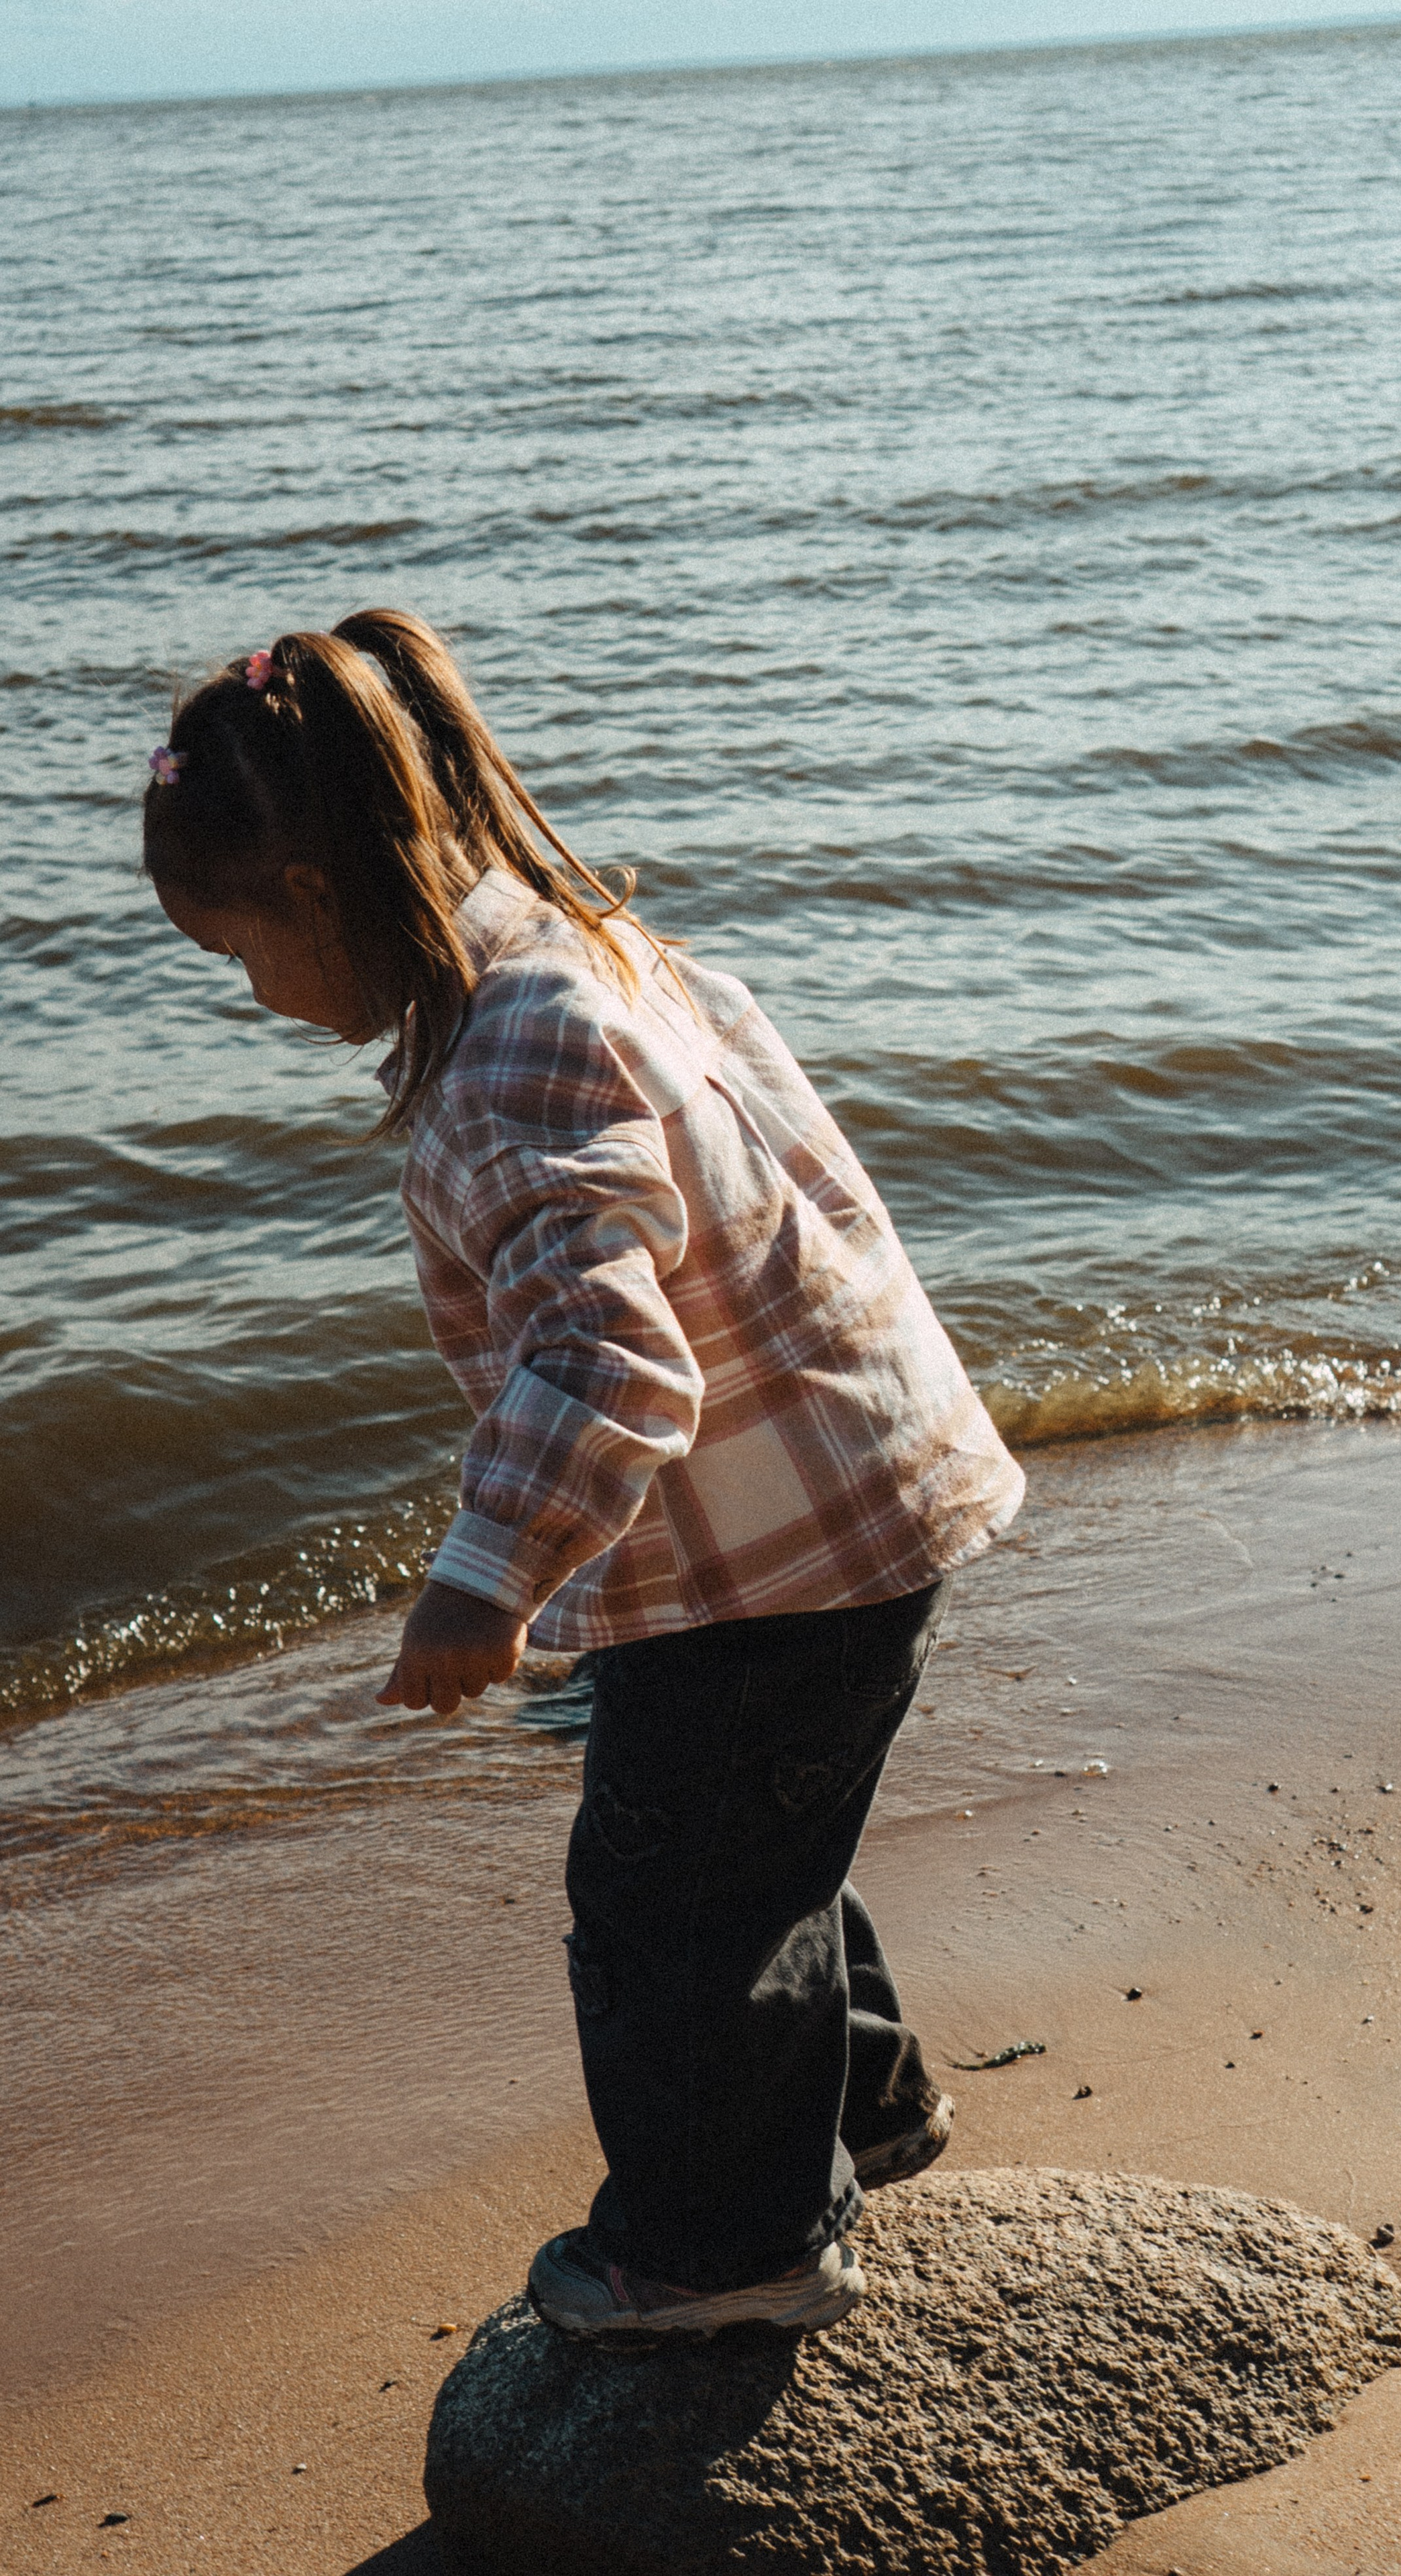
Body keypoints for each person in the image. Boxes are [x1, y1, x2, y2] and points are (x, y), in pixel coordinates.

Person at [142, 612, 1025, 2339]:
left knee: (663, 1904)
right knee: (756, 1850)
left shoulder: (511, 1061)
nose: (255, 999)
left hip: (769, 1563)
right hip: (835, 1503)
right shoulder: (594, 948)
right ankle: (867, 2112)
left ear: (320, 892)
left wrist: (488, 1580)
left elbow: (611, 1362)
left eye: (241, 954)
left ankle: (724, 2254)